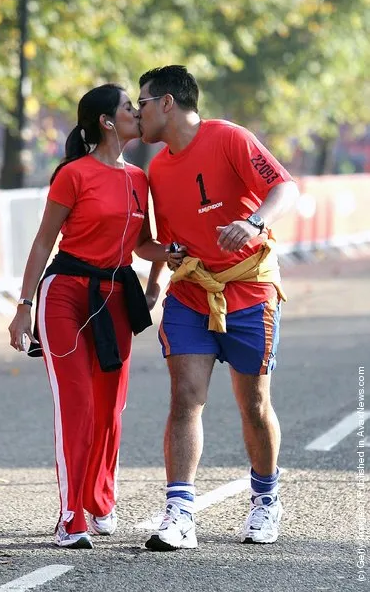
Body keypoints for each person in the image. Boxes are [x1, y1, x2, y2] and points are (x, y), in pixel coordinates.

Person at [8, 84, 184, 549]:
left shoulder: (138, 179)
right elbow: (44, 242)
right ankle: (70, 516)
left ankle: (98, 499)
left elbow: (142, 244)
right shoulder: (73, 175)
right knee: (78, 405)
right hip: (65, 296)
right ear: (107, 122)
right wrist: (23, 308)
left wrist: (171, 260)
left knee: (111, 406)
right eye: (129, 107)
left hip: (114, 299)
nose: (136, 113)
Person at [137, 65, 299, 551]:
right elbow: (164, 242)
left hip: (249, 293)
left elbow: (285, 188)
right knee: (186, 396)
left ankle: (266, 500)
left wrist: (253, 223)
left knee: (254, 405)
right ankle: (180, 513)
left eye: (142, 102)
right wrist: (155, 283)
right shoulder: (157, 168)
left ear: (167, 103)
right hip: (190, 293)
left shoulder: (229, 137)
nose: (137, 112)